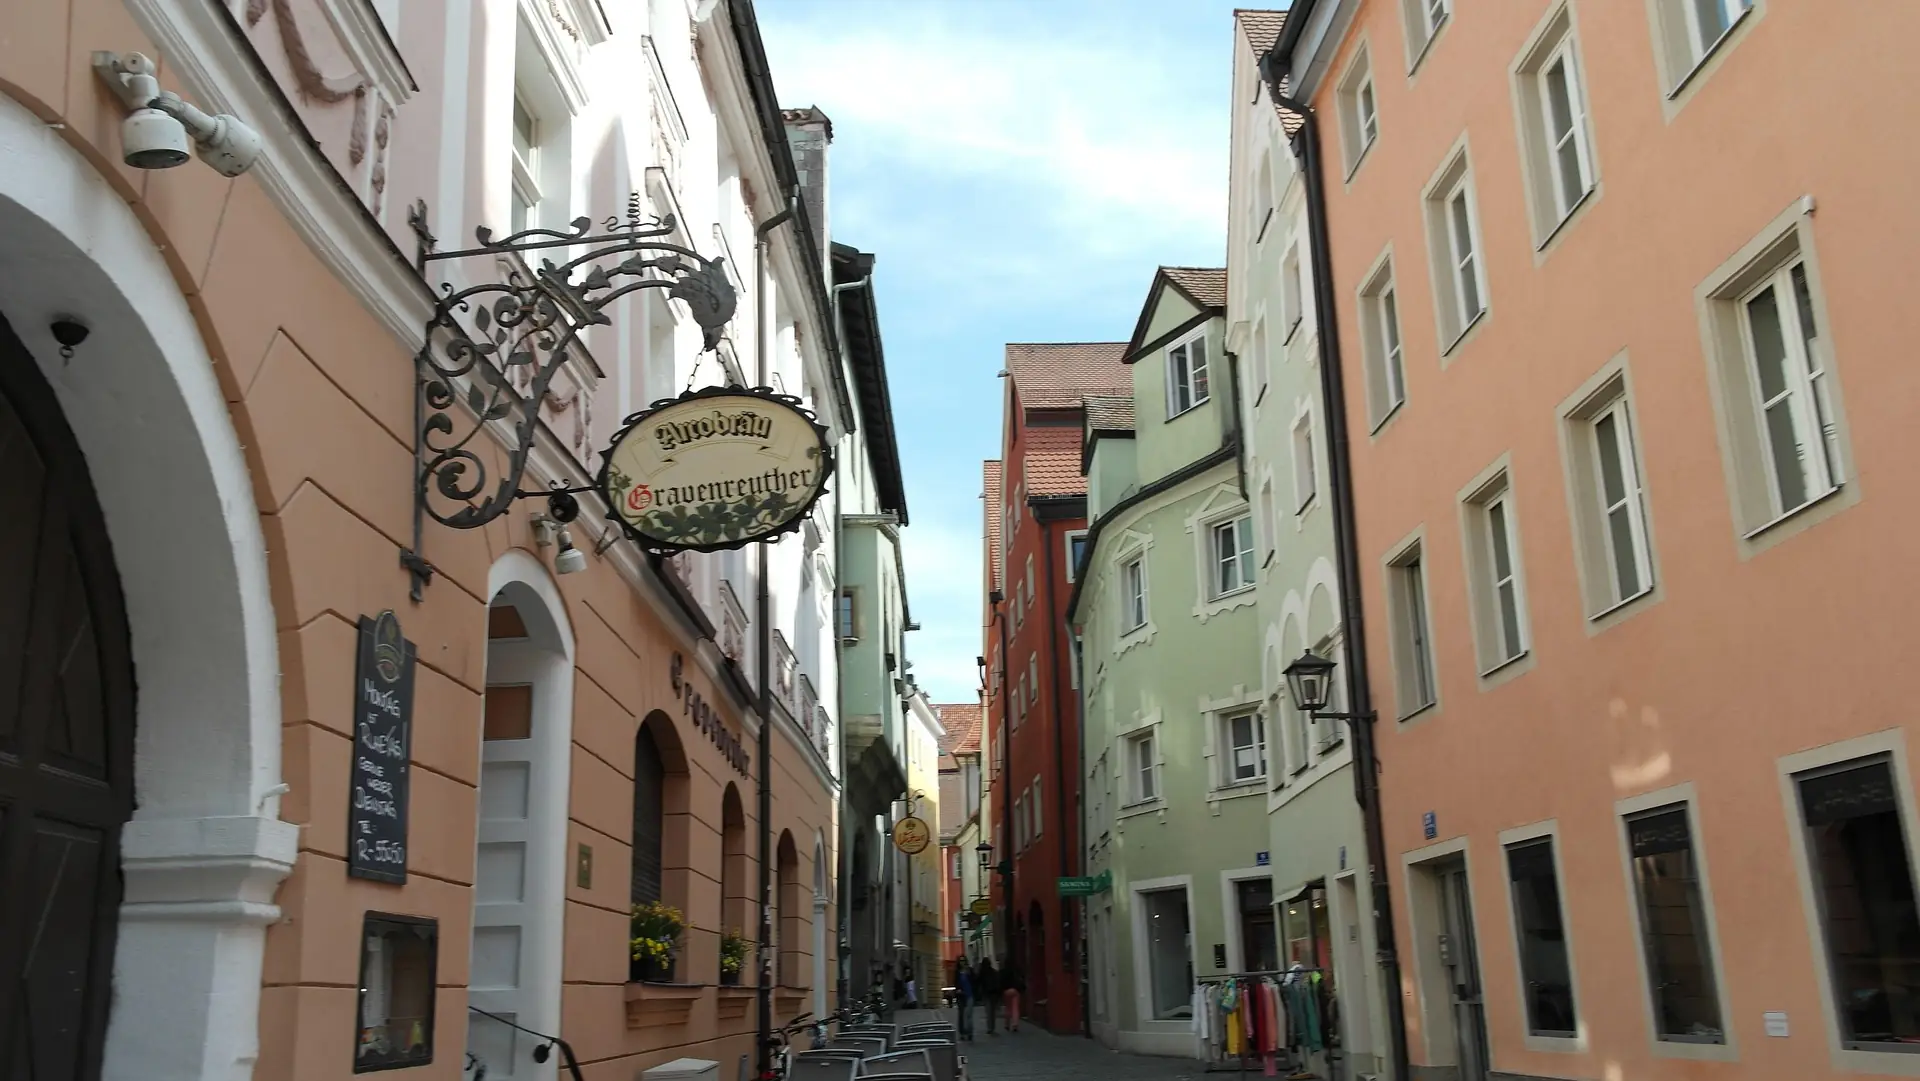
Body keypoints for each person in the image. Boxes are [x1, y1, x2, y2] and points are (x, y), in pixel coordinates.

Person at [975, 958, 1000, 1034]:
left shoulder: (982, 973)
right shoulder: (994, 972)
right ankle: (992, 1027)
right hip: (994, 994)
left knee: (988, 1011)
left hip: (986, 994)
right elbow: (998, 983)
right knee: (993, 1012)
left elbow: (977, 982)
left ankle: (990, 1028)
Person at [1000, 961, 1025, 1033]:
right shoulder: (1016, 970)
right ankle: (1015, 1025)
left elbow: (1000, 982)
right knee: (1015, 1008)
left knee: (1008, 1008)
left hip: (1006, 991)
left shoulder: (1003, 972)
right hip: (1015, 990)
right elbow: (1022, 978)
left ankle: (1007, 1024)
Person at [955, 961, 976, 1040]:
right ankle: (962, 1033)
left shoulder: (970, 971)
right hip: (961, 997)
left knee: (969, 1015)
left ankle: (970, 1032)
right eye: (961, 961)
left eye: (964, 961)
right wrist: (958, 989)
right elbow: (956, 983)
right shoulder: (958, 973)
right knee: (961, 1015)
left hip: (969, 995)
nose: (963, 963)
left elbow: (974, 982)